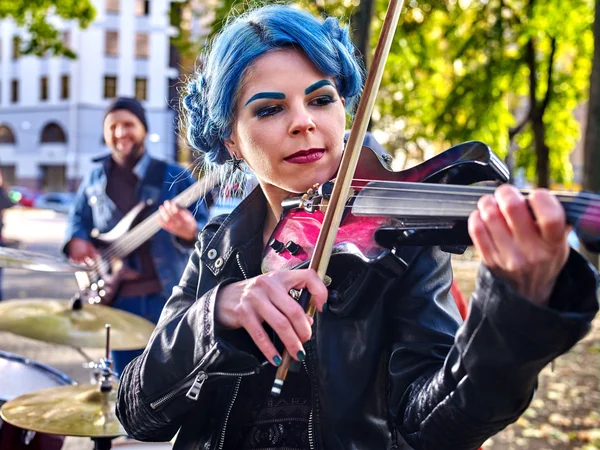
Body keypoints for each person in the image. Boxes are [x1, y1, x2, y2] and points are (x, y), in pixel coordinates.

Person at [116, 6, 599, 449]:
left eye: (321, 99)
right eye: (269, 108)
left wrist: (511, 316)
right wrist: (216, 314)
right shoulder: (218, 248)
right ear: (232, 141)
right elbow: (138, 413)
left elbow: (431, 429)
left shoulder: (399, 245)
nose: (304, 122)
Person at [64, 97, 209, 375]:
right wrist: (77, 239)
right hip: (117, 299)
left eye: (128, 124)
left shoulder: (174, 176)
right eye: (112, 126)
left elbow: (206, 233)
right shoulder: (95, 178)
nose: (120, 133)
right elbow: (78, 218)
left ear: (143, 128)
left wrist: (189, 232)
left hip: (167, 296)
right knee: (124, 381)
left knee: (170, 378)